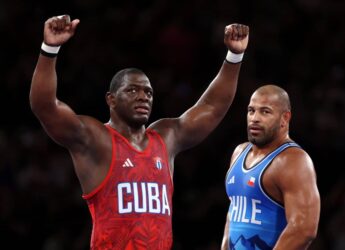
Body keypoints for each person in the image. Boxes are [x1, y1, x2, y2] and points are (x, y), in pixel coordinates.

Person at [29, 14, 249, 249]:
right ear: (111, 100)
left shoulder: (166, 137)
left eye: (148, 92)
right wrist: (49, 49)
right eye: (132, 90)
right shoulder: (96, 139)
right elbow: (45, 107)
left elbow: (212, 107)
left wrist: (234, 56)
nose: (143, 96)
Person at [221, 85, 320, 250]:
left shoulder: (293, 160)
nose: (254, 118)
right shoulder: (239, 152)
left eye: (265, 112)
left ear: (285, 118)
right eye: (251, 110)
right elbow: (233, 214)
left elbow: (304, 229)